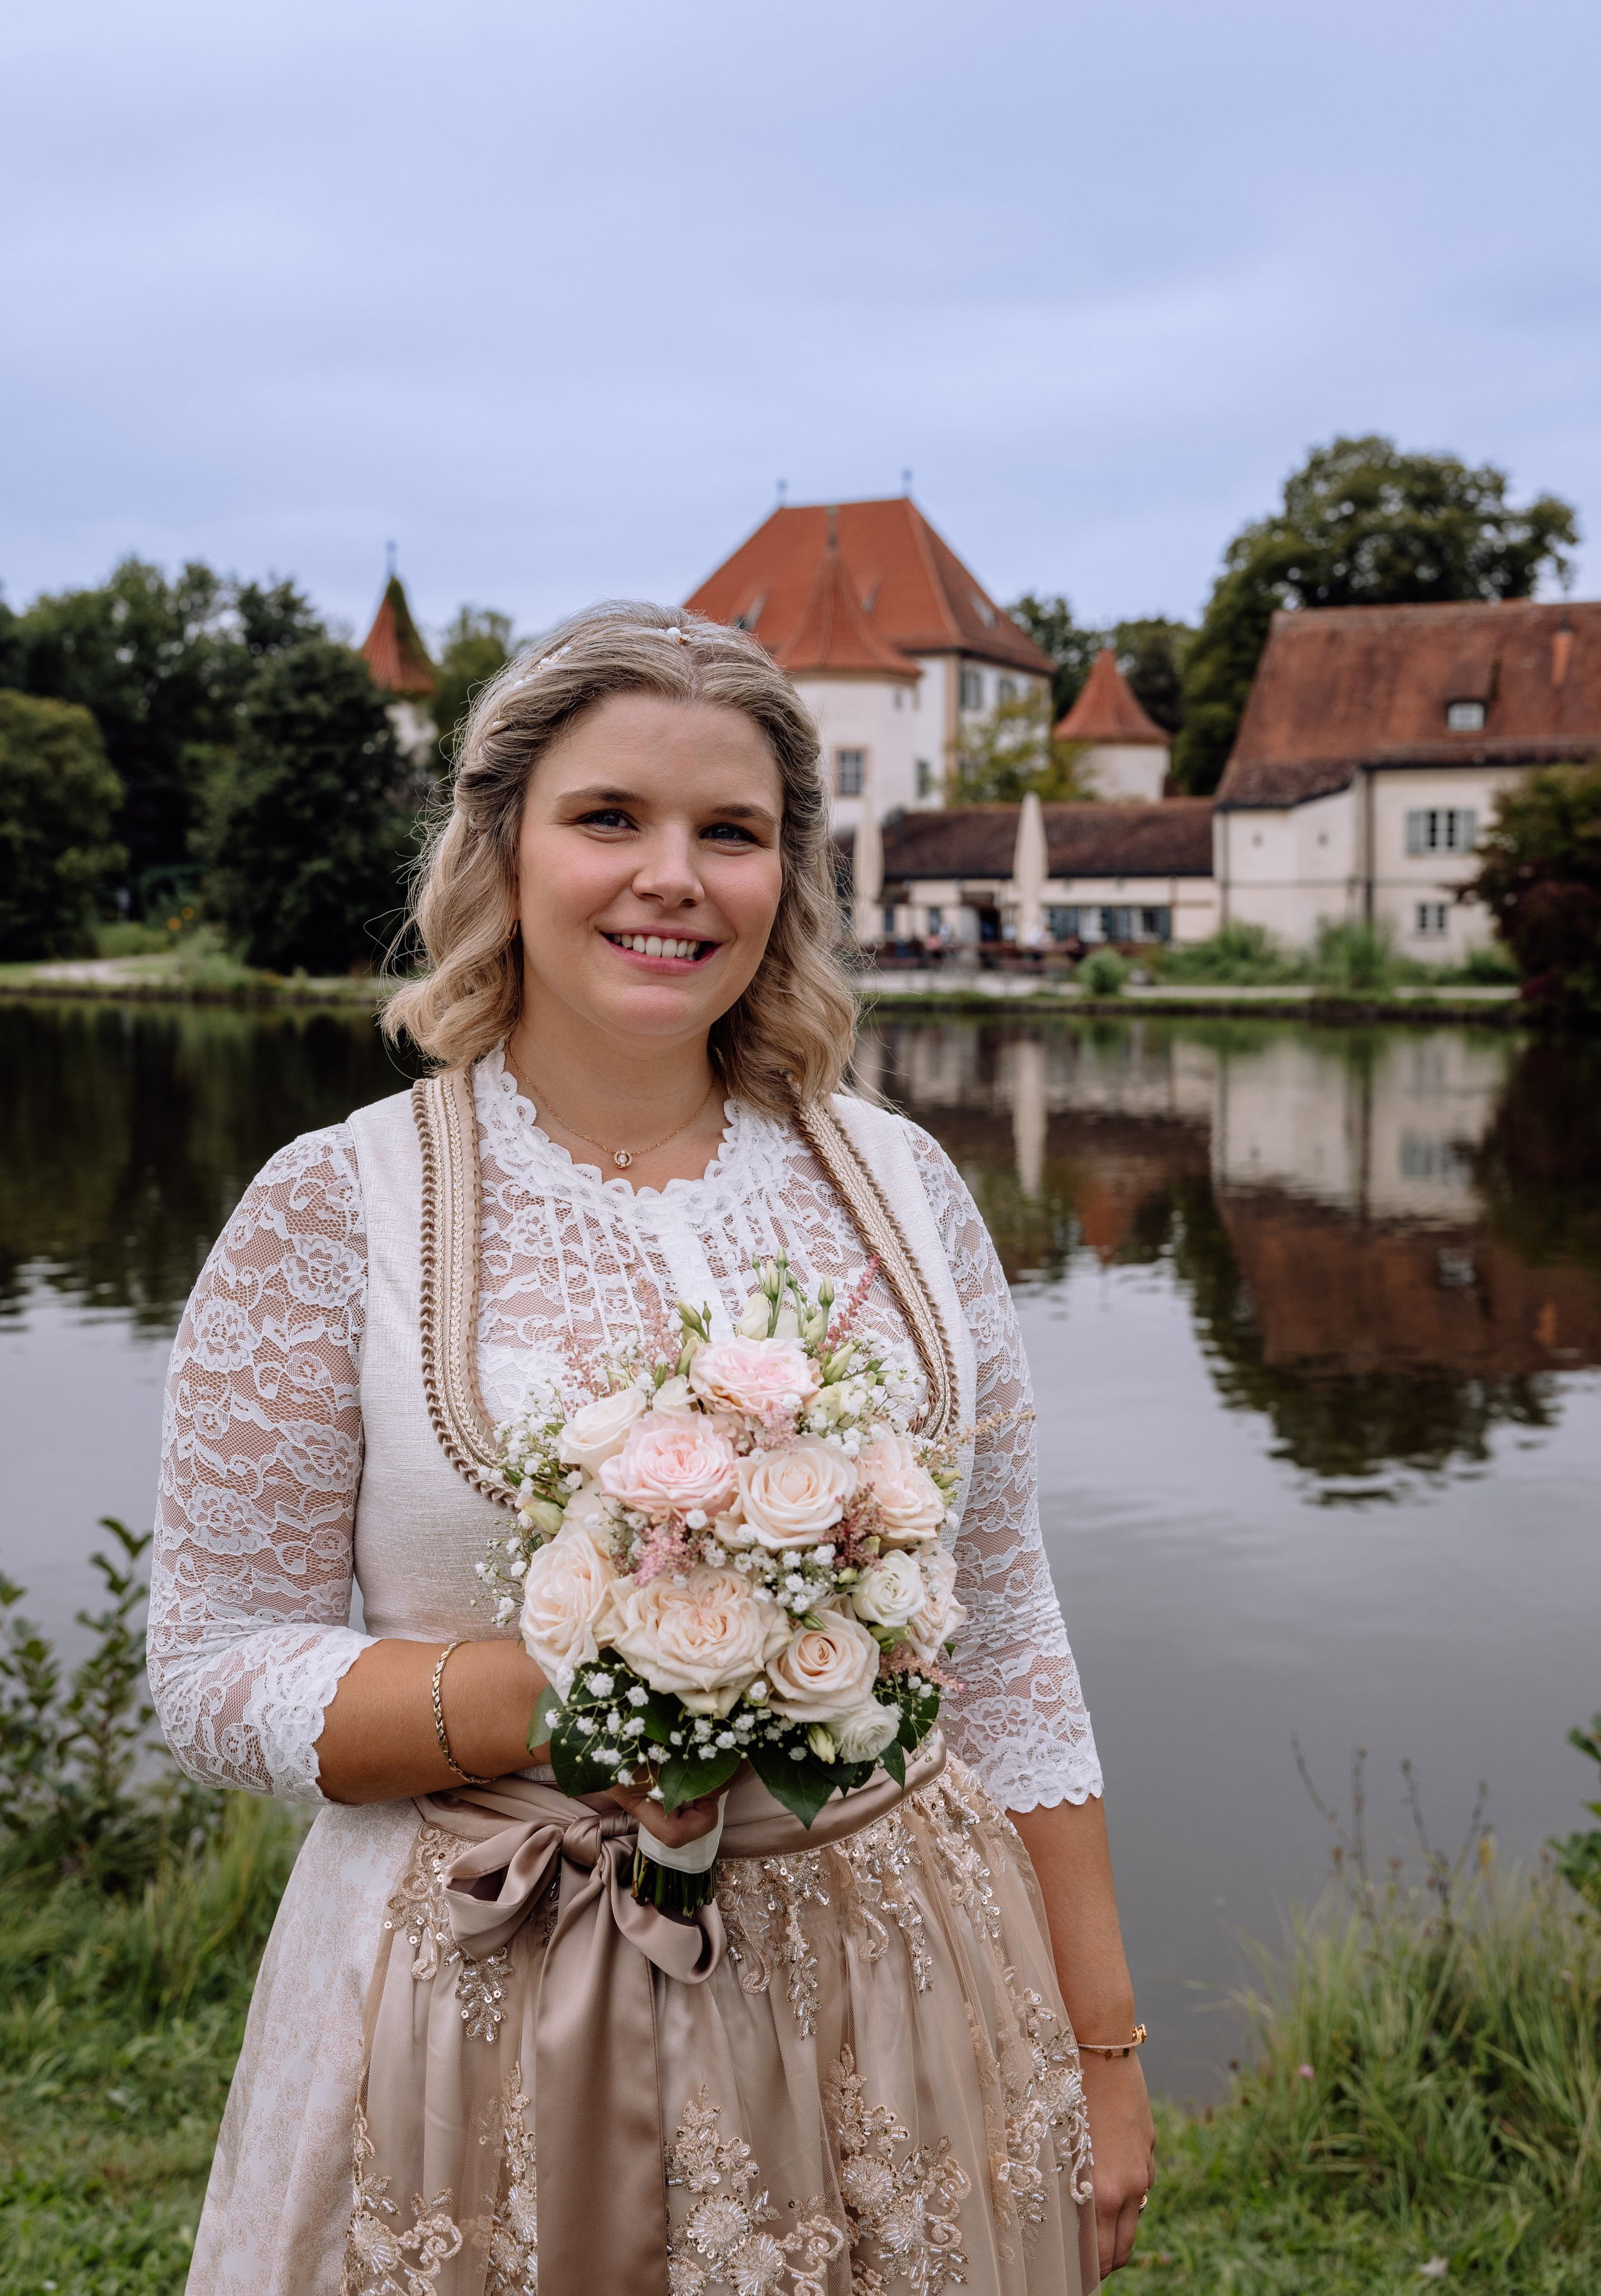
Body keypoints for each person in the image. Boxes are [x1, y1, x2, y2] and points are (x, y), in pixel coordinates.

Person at [150, 602, 1153, 2296]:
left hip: (896, 1985)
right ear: (504, 845)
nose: (671, 878)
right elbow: (210, 1663)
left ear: (790, 878)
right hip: (479, 1993)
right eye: (610, 817)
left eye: (732, 833)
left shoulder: (905, 1187)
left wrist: (1104, 2050)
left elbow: (1012, 1639)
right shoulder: (340, 1207)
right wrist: (570, 1687)